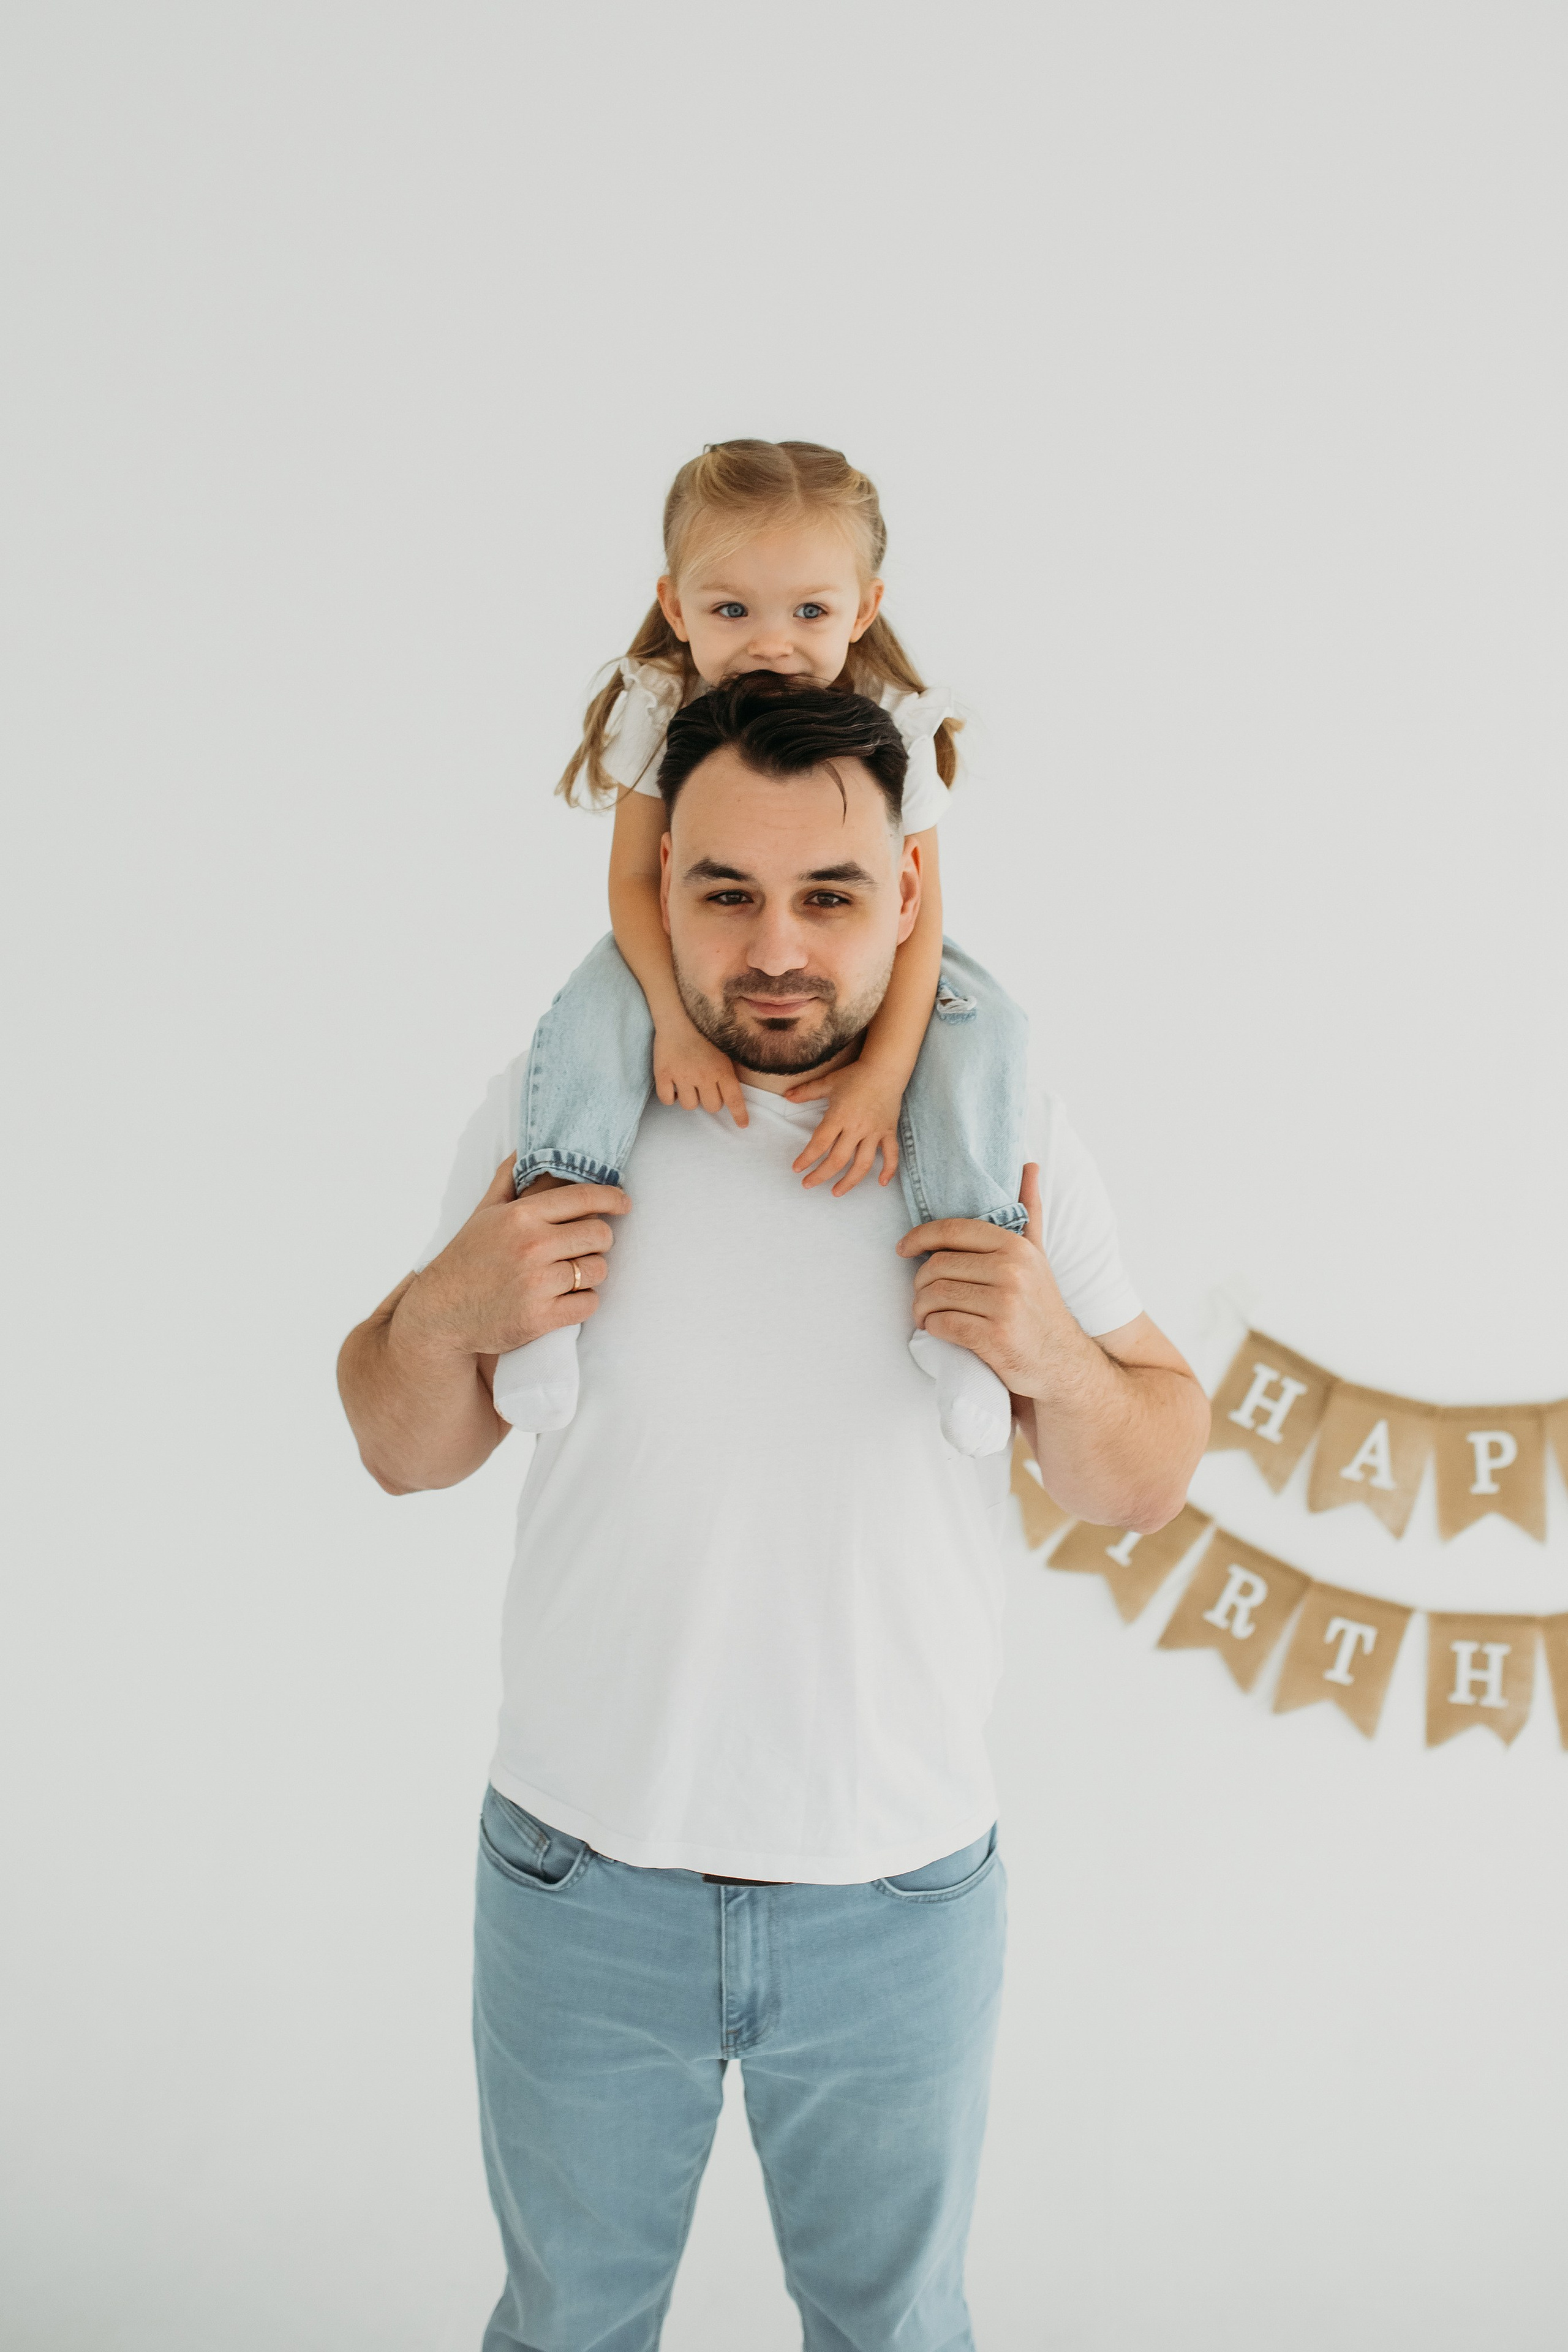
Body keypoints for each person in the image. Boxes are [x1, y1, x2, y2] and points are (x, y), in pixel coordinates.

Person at [337, 672, 1209, 2351]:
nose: (777, 946)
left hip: (894, 1895)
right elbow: (398, 1445)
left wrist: (1051, 1356)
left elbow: (1146, 1474)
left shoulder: (999, 1127)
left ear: (905, 897)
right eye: (723, 892)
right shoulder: (560, 1103)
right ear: (657, 887)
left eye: (829, 896)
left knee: (897, 2331)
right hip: (579, 1881)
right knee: (567, 2325)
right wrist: (451, 1304)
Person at [493, 437, 1026, 1458]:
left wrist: (881, 1078)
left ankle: (971, 1301)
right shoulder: (660, 707)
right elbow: (633, 885)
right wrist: (673, 1026)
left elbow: (920, 923)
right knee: (590, 1017)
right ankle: (548, 1302)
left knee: (989, 1028)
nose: (770, 643)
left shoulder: (898, 727)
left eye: (810, 613)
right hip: (675, 945)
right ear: (678, 603)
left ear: (864, 609)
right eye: (732, 610)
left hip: (868, 962)